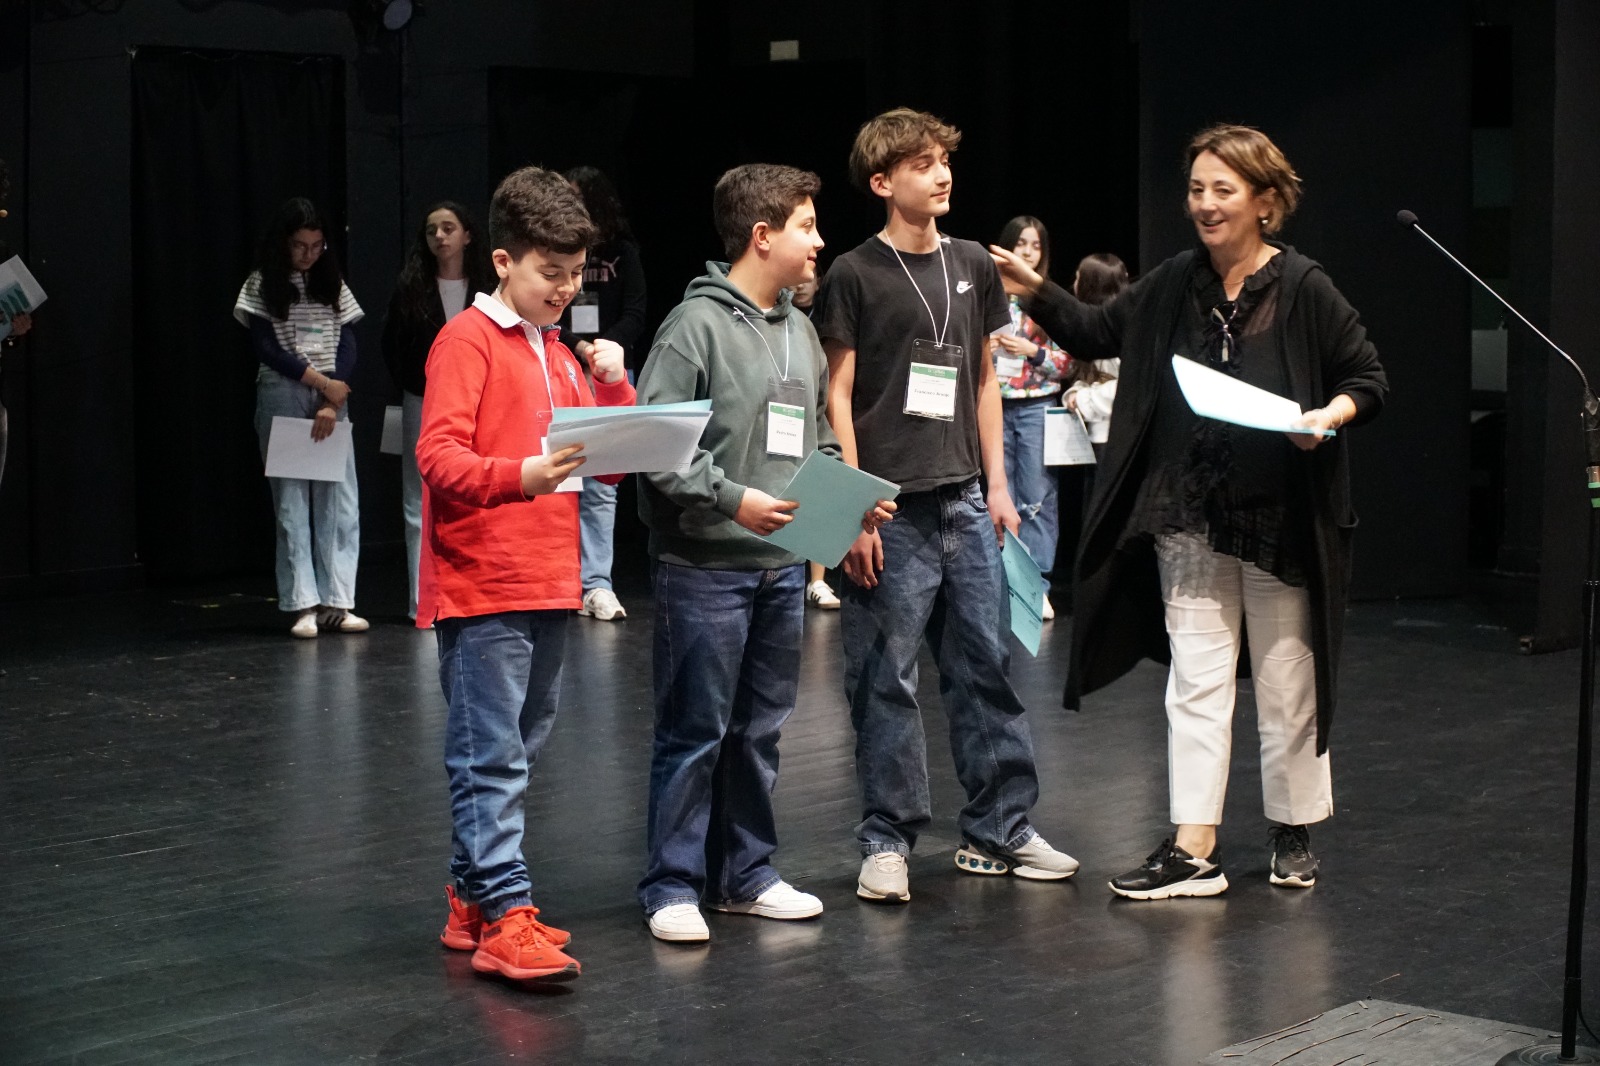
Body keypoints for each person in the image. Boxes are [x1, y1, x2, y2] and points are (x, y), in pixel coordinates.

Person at [991, 124, 1387, 899]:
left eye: (1222, 190)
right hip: (1190, 513)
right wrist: (1034, 288)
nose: (1205, 204)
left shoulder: (1303, 286)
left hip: (1278, 519)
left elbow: (1367, 379)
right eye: (1197, 189)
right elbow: (1095, 330)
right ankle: (1194, 847)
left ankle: (1292, 830)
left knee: (1287, 680)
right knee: (1197, 683)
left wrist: (1327, 417)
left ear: (1265, 202)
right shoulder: (1174, 282)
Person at [813, 108, 1080, 903]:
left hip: (964, 499)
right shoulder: (855, 273)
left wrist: (998, 485)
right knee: (884, 678)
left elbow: (986, 380)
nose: (941, 174)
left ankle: (1002, 826)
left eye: (944, 161)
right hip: (890, 510)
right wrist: (853, 509)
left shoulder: (971, 263)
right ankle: (887, 838)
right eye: (922, 164)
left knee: (983, 669)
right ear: (882, 181)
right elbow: (837, 393)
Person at [634, 164, 894, 943]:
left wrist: (849, 499)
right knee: (695, 733)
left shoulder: (799, 329)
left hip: (778, 568)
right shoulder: (694, 327)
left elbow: (814, 437)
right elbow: (657, 446)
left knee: (758, 733)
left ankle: (743, 875)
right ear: (762, 235)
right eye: (806, 227)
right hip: (704, 568)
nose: (818, 242)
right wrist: (729, 498)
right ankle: (672, 886)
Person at [416, 166, 634, 982]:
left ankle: (471, 899)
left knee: (517, 750)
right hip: (484, 586)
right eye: (552, 272)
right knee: (492, 757)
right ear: (503, 261)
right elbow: (438, 456)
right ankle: (507, 915)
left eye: (576, 272)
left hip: (550, 578)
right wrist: (521, 476)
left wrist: (615, 385)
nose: (566, 288)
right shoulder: (466, 341)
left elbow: (609, 466)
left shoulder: (561, 352)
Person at [233, 197, 366, 639]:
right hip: (285, 389)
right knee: (291, 498)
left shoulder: (333, 281)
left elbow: (349, 339)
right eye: (299, 246)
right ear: (283, 243)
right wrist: (319, 382)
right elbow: (266, 346)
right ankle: (302, 603)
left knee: (338, 498)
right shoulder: (261, 282)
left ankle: (337, 601)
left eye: (316, 246)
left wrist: (332, 396)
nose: (308, 254)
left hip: (331, 391)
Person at [382, 201, 496, 622]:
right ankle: (422, 603)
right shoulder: (412, 287)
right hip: (423, 398)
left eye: (448, 228)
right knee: (418, 500)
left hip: (480, 399)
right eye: (432, 230)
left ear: (467, 235)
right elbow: (391, 344)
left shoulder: (487, 287)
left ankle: (473, 592)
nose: (440, 237)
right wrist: (419, 384)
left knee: (478, 488)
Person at [560, 166, 648, 622]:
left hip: (610, 371)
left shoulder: (621, 251)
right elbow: (549, 310)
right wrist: (579, 347)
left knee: (603, 482)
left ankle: (597, 584)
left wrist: (604, 351)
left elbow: (636, 311)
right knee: (560, 476)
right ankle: (562, 582)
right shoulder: (557, 249)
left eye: (577, 196)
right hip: (565, 364)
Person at [994, 216, 1072, 620]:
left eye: (1035, 245)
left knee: (1037, 498)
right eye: (1021, 243)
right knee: (998, 497)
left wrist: (1033, 352)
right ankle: (1003, 583)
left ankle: (1036, 586)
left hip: (1037, 407)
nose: (1027, 252)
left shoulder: (1046, 299)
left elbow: (1067, 362)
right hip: (993, 407)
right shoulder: (989, 293)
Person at [790, 269, 841, 610]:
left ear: (819, 282)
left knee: (821, 484)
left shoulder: (826, 319)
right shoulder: (779, 318)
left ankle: (818, 580)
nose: (801, 284)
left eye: (809, 278)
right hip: (788, 409)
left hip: (823, 407)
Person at [1062, 253, 1130, 451]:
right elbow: (1097, 377)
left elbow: (1128, 387)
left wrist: (1084, 399)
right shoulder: (1092, 330)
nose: (1074, 284)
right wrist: (1076, 392)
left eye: (1078, 278)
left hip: (1118, 437)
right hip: (1098, 434)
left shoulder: (1120, 329)